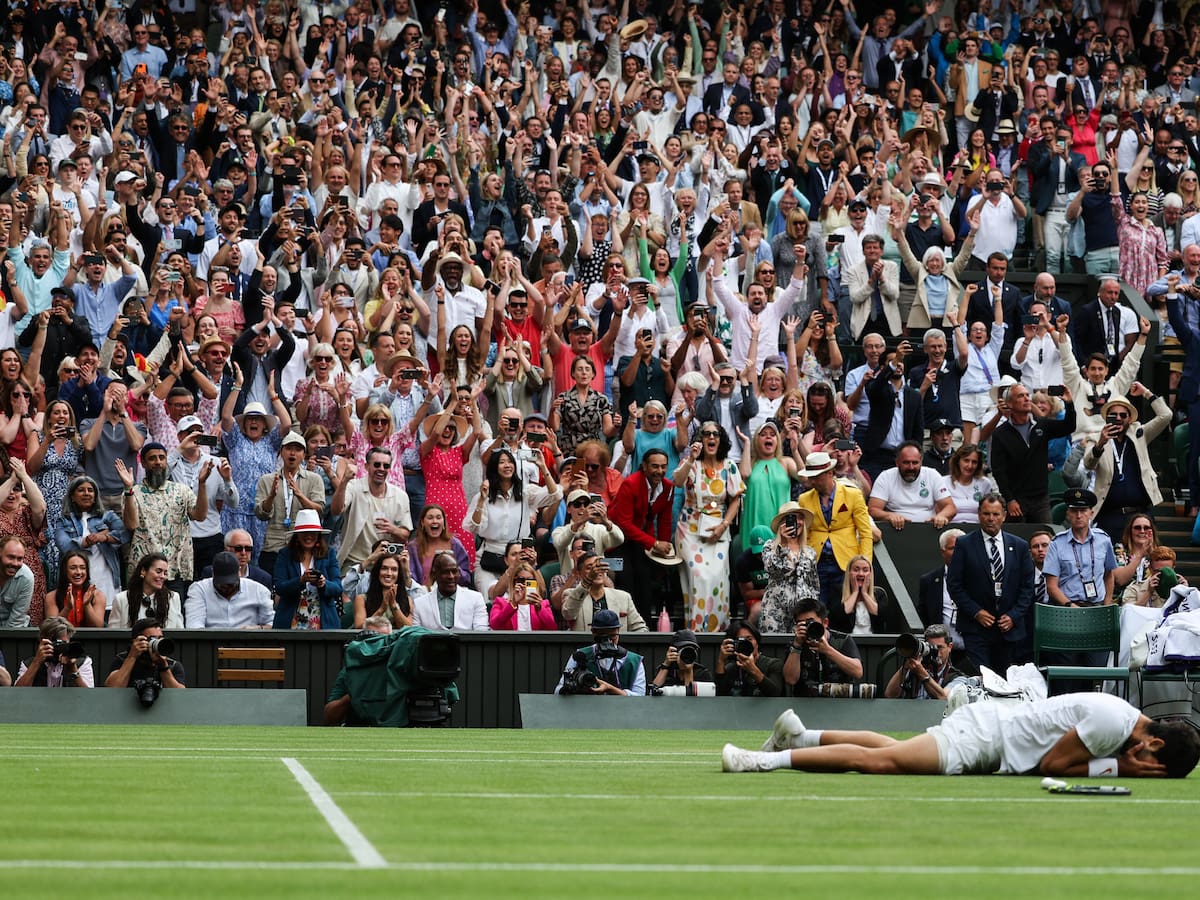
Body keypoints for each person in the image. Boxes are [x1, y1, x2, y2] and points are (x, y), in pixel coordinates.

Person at [721, 693, 1200, 778]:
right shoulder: (1114, 726)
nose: (1149, 769)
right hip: (985, 739)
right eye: (1157, 767)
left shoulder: (1125, 718)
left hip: (989, 731)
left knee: (892, 750)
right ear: (1154, 745)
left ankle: (800, 736)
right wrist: (1123, 766)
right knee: (879, 763)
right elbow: (1053, 767)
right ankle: (759, 762)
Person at [946, 493, 1036, 672]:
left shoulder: (1019, 546)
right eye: (986, 514)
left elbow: (1027, 587)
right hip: (976, 627)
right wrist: (976, 612)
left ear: (1004, 515)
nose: (991, 519)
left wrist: (1013, 615)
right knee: (982, 677)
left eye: (995, 514)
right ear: (979, 514)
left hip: (1008, 628)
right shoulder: (964, 544)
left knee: (1004, 680)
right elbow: (954, 584)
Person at [673, 423, 743, 633]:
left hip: (718, 530)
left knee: (717, 579)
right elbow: (677, 481)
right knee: (698, 577)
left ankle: (717, 632)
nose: (711, 437)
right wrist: (691, 458)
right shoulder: (692, 463)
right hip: (690, 530)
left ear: (721, 440)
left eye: (716, 434)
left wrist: (724, 525)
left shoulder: (729, 466)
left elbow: (735, 499)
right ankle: (693, 632)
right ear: (700, 439)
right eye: (706, 434)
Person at [119, 442, 210, 598]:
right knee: (143, 618)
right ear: (144, 463)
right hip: (144, 570)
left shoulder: (181, 490)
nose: (158, 462)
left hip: (175, 568)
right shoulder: (134, 492)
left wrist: (202, 484)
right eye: (152, 458)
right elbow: (131, 524)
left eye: (162, 458)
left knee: (174, 618)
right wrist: (128, 489)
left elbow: (200, 516)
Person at [1083, 389, 1173, 539]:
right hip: (1110, 515)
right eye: (1113, 415)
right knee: (1113, 560)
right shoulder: (1096, 438)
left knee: (1144, 558)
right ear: (1106, 418)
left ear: (1130, 419)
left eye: (1123, 415)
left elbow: (1166, 415)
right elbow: (1088, 464)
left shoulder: (1139, 434)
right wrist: (1101, 443)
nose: (1118, 418)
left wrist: (1146, 393)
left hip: (1140, 514)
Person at [796, 450, 872, 615]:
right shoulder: (804, 499)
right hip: (817, 562)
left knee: (844, 611)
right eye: (810, 477)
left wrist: (865, 565)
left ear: (830, 473)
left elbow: (865, 532)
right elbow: (805, 534)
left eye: (816, 476)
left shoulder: (853, 495)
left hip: (845, 562)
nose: (812, 481)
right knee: (816, 609)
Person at [989, 383, 1077, 523]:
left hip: (1041, 499)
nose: (1026, 399)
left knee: (1045, 539)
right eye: (1020, 396)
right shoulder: (1000, 434)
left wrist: (1069, 403)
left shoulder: (1042, 424)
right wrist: (1009, 499)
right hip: (1016, 500)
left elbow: (1069, 426)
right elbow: (998, 470)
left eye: (1027, 395)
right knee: (1019, 541)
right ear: (1010, 403)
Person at [254, 431, 327, 576]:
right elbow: (260, 514)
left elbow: (319, 510)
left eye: (298, 449)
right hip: (274, 545)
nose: (292, 453)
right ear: (281, 452)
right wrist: (271, 497)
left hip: (302, 545)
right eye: (288, 448)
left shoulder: (314, 479)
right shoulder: (267, 480)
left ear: (304, 454)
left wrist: (300, 495)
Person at [273, 510, 344, 630]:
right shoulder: (285, 555)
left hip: (323, 620)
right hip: (290, 619)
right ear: (297, 535)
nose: (309, 536)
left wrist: (323, 583)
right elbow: (279, 587)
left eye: (313, 533)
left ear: (318, 535)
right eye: (304, 533)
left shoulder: (329, 554)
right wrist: (300, 580)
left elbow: (337, 588)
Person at [553, 608, 647, 697]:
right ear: (594, 633)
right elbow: (558, 692)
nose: (608, 641)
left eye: (612, 636)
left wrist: (610, 689)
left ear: (618, 631)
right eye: (603, 636)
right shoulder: (581, 656)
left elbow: (639, 697)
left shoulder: (633, 661)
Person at [758, 502, 820, 635]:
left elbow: (814, 583)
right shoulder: (770, 547)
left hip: (803, 611)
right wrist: (784, 547)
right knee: (775, 648)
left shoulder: (810, 552)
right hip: (775, 608)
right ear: (782, 523)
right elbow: (774, 570)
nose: (797, 522)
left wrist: (813, 610)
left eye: (800, 518)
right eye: (792, 518)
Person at [781, 597, 865, 696]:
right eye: (801, 623)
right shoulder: (795, 644)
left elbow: (858, 672)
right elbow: (790, 680)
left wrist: (828, 650)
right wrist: (797, 646)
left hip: (839, 701)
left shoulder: (842, 640)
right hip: (806, 702)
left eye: (810, 622)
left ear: (825, 623)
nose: (807, 627)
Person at [324, 615, 394, 726]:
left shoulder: (398, 668)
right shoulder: (350, 670)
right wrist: (353, 694)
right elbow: (329, 717)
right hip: (358, 728)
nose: (377, 646)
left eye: (382, 641)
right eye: (372, 641)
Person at [868, 442, 956, 530]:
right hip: (895, 530)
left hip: (928, 529)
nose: (911, 467)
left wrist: (941, 516)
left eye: (915, 463)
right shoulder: (886, 477)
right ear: (897, 462)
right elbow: (873, 510)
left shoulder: (932, 475)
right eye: (906, 462)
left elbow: (950, 507)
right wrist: (889, 516)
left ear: (921, 462)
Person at [561, 552, 650, 633]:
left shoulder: (623, 597)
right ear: (579, 574)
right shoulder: (570, 594)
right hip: (586, 648)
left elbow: (640, 628)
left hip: (616, 649)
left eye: (599, 566)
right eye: (590, 568)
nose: (596, 571)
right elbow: (569, 615)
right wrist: (587, 581)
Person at [184, 551, 274, 629]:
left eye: (230, 583)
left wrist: (258, 629)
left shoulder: (259, 591)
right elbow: (194, 625)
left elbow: (273, 624)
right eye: (221, 583)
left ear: (239, 572)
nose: (226, 587)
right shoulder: (199, 589)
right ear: (213, 574)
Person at [412, 550, 489, 632]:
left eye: (454, 571)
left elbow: (481, 633)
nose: (451, 576)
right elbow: (416, 637)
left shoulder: (475, 599)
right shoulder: (419, 603)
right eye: (445, 572)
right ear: (435, 574)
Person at [884, 624, 964, 700]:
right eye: (932, 647)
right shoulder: (913, 670)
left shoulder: (957, 678)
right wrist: (905, 667)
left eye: (940, 647)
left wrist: (922, 673)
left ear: (950, 647)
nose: (936, 652)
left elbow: (943, 697)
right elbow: (890, 695)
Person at [104, 618, 186, 689]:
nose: (158, 642)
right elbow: (111, 690)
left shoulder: (172, 665)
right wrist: (132, 657)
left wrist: (163, 667)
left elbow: (179, 697)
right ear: (137, 640)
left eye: (160, 638)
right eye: (152, 639)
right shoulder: (122, 660)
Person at [109, 553, 184, 630]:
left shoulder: (173, 598)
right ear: (143, 571)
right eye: (158, 571)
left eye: (165, 573)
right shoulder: (121, 599)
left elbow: (179, 634)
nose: (162, 576)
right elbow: (114, 637)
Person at [14, 616, 93, 688]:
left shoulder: (82, 663)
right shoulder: (29, 664)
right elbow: (17, 695)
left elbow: (89, 698)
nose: (59, 648)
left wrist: (73, 670)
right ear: (42, 641)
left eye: (63, 643)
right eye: (55, 643)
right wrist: (36, 663)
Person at [713, 620, 785, 697]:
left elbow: (776, 694)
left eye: (749, 639)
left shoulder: (773, 664)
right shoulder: (731, 668)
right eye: (740, 641)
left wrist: (753, 670)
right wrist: (721, 661)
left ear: (757, 641)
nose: (746, 644)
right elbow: (719, 695)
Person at [489, 561, 557, 632]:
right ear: (514, 582)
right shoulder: (501, 603)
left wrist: (540, 609)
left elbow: (552, 628)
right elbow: (495, 626)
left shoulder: (543, 604)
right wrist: (513, 604)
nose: (525, 584)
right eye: (521, 580)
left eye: (530, 580)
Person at [43, 550, 105, 628]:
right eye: (73, 568)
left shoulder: (98, 595)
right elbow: (52, 628)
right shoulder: (51, 597)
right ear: (64, 571)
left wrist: (87, 605)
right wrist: (67, 608)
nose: (78, 572)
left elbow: (98, 627)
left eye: (82, 568)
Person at [648, 629, 716, 693]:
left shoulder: (702, 673)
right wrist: (666, 664)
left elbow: (691, 702)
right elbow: (653, 693)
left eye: (691, 650)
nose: (687, 653)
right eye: (682, 649)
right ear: (673, 650)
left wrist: (688, 671)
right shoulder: (666, 671)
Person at [0, 534, 35, 627]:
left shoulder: (26, 578)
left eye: (20, 559)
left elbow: (16, 620)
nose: (15, 563)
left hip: (14, 629)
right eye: (10, 557)